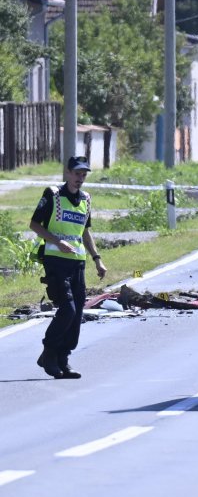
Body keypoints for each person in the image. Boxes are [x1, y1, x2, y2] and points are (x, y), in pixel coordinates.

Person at [29, 155, 108, 379]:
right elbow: (34, 224)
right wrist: (57, 241)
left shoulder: (86, 199)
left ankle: (63, 360)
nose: (80, 179)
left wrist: (97, 259)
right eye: (76, 174)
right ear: (68, 173)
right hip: (55, 260)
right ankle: (49, 354)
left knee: (77, 313)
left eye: (83, 175)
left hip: (77, 263)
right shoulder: (52, 195)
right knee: (68, 309)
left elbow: (84, 231)